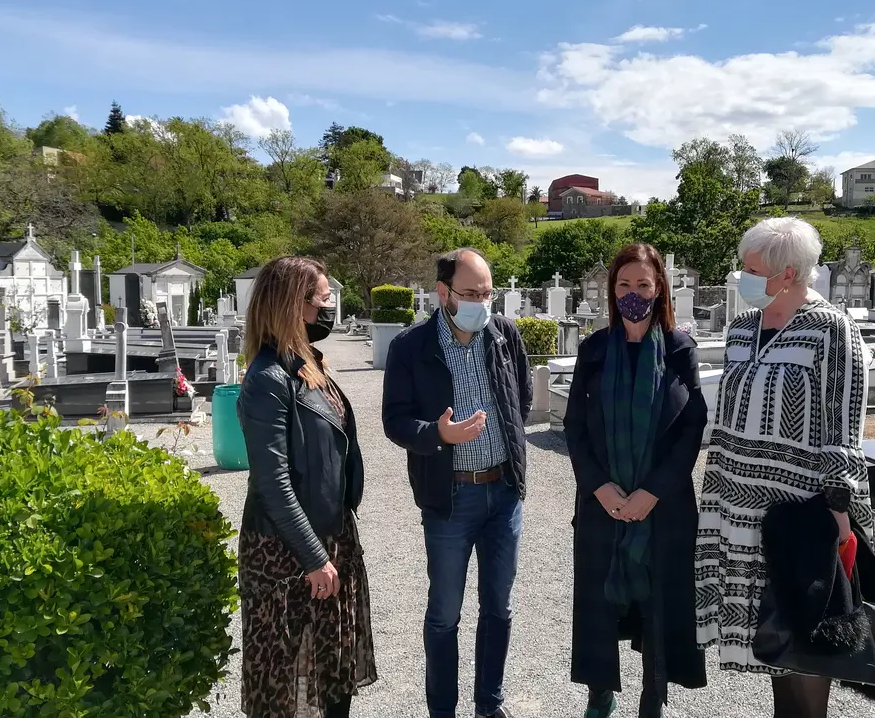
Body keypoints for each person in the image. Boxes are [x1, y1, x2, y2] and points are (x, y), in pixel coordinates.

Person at [694, 217, 874, 718]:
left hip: (798, 514)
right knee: (772, 645)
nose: (741, 278)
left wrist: (840, 513)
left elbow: (845, 422)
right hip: (736, 509)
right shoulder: (742, 329)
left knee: (806, 644)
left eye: (752, 270)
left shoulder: (832, 330)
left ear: (790, 274)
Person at [381, 248, 533, 718]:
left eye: (488, 293)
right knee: (445, 614)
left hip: (503, 492)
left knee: (499, 607)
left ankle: (489, 704)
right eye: (471, 294)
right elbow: (395, 421)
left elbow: (521, 398)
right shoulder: (411, 347)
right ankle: (442, 711)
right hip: (450, 498)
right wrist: (438, 435)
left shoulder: (503, 334)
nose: (482, 303)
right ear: (443, 293)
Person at [565, 244, 708, 718]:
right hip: (602, 503)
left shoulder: (680, 349)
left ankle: (653, 699)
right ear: (612, 290)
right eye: (624, 285)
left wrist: (653, 492)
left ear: (659, 288)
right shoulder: (594, 349)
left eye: (643, 285)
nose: (633, 293)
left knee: (657, 604)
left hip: (661, 507)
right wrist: (599, 487)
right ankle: (599, 695)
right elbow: (576, 427)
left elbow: (691, 427)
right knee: (599, 603)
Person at [236, 256, 376, 718]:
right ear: (294, 305)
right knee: (285, 681)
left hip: (332, 536)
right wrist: (314, 557)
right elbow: (273, 481)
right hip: (285, 553)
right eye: (323, 297)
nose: (331, 304)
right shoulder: (267, 380)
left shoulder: (307, 365)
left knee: (331, 668)